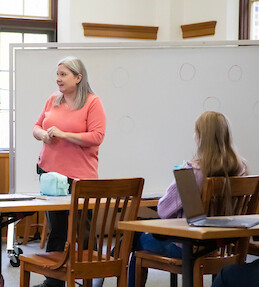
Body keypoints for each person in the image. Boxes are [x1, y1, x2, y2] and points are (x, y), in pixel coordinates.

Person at [127, 111, 247, 287]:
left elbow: (163, 210)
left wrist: (179, 176)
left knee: (134, 240)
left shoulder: (192, 171)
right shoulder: (241, 170)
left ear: (200, 137)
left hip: (190, 248)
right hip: (224, 248)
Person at [32, 56, 106, 287]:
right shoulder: (53, 100)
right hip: (50, 177)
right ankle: (53, 281)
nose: (58, 79)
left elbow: (96, 137)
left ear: (78, 77)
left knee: (83, 231)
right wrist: (43, 135)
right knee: (57, 230)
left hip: (80, 179)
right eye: (57, 74)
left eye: (63, 74)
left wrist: (63, 134)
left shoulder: (92, 103)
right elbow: (36, 126)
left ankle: (89, 279)